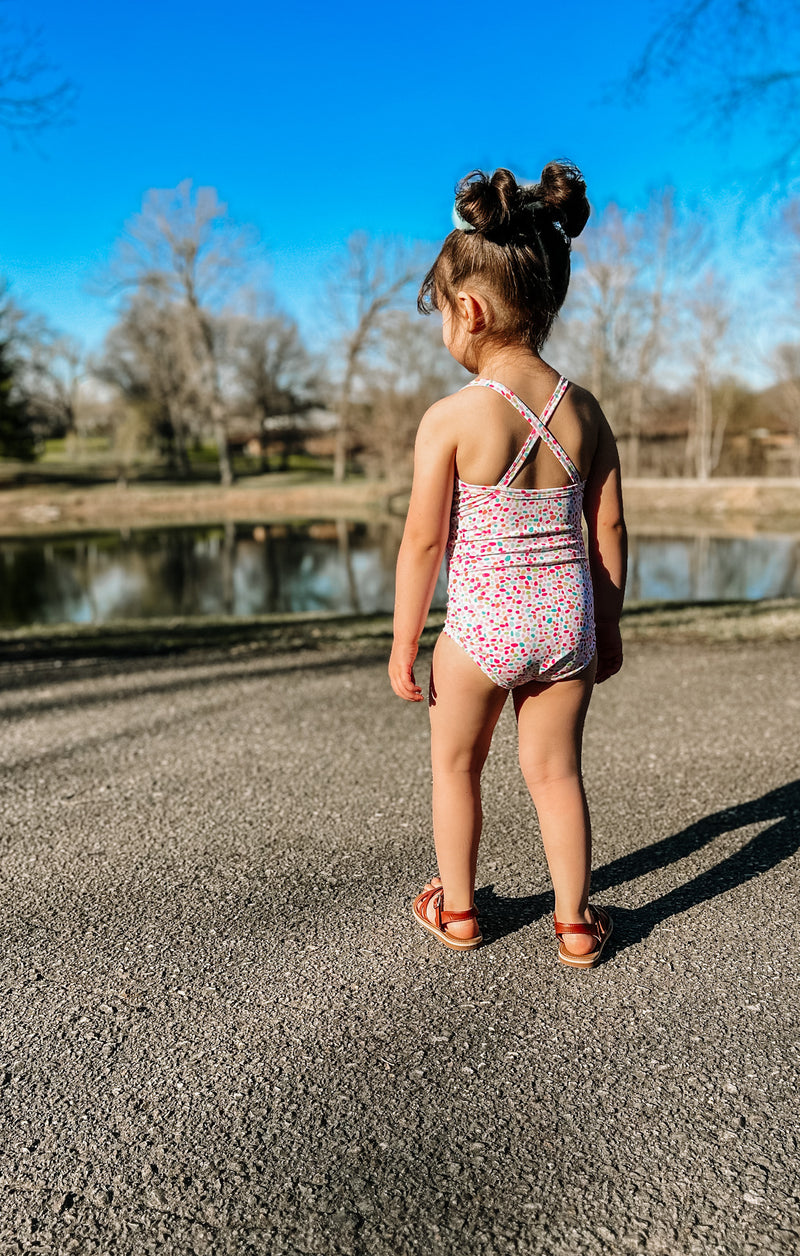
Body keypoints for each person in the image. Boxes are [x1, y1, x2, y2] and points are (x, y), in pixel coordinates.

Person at [388, 163, 627, 969]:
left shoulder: (453, 418)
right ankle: (574, 926)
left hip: (481, 630)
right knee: (557, 775)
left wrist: (403, 641)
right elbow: (610, 529)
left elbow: (423, 541)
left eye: (439, 315)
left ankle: (457, 911)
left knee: (456, 767)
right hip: (567, 624)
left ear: (470, 309)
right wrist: (610, 628)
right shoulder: (585, 411)